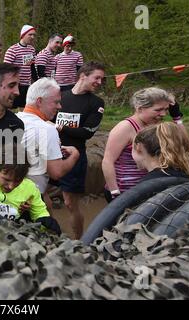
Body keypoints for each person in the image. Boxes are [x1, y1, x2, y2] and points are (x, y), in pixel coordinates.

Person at [102, 87, 185, 202]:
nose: (163, 114)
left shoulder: (157, 125)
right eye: (158, 110)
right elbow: (107, 161)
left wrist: (176, 116)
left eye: (166, 109)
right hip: (125, 191)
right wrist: (115, 193)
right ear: (140, 109)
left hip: (149, 189)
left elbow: (184, 143)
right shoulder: (125, 128)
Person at [55, 61, 105, 239]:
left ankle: (79, 240)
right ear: (83, 76)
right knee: (40, 192)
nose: (100, 82)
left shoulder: (96, 103)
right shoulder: (61, 96)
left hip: (74, 157)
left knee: (70, 203)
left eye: (102, 79)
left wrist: (59, 127)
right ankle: (51, 231)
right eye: (96, 77)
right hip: (51, 154)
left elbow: (86, 133)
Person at [17, 78, 79, 195]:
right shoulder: (47, 129)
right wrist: (75, 155)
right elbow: (56, 172)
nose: (60, 106)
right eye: (56, 102)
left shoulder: (15, 119)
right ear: (39, 101)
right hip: (30, 196)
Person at [4, 24, 37, 108]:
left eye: (34, 35)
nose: (32, 37)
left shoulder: (32, 49)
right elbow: (5, 69)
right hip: (15, 85)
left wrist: (36, 82)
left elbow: (32, 67)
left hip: (27, 85)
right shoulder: (12, 50)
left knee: (24, 108)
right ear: (23, 35)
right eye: (30, 34)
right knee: (13, 108)